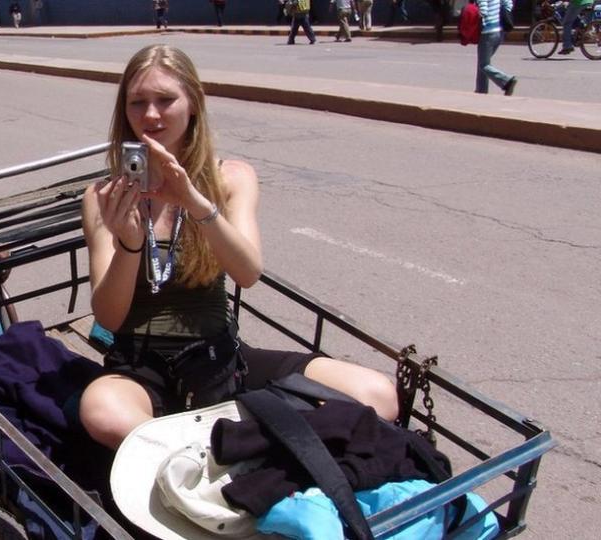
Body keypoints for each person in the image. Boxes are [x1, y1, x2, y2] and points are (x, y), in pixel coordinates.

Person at [77, 44, 398, 450]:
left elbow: (248, 273)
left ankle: (208, 447)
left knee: (378, 394)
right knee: (101, 411)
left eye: (165, 100)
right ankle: (237, 443)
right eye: (138, 102)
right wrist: (129, 243)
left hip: (220, 358)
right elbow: (109, 315)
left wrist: (195, 202)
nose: (151, 115)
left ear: (193, 103)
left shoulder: (231, 178)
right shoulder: (104, 195)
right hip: (140, 369)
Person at [475, 0, 517, 95]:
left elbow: (483, 11)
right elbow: (508, 4)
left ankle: (507, 81)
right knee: (484, 63)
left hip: (487, 33)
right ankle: (481, 90)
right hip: (499, 31)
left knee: (483, 65)